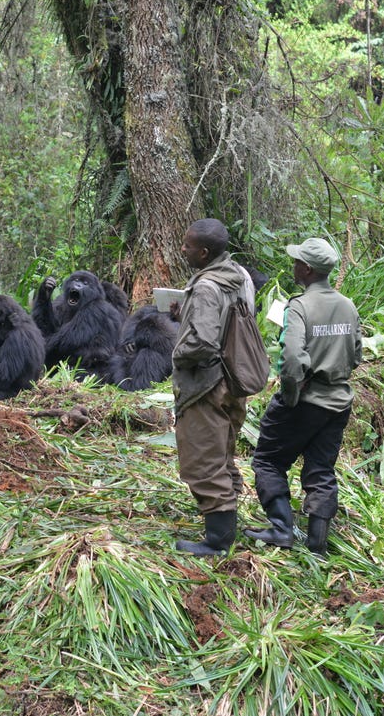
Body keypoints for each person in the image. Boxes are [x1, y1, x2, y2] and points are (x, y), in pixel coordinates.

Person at [244, 237, 361, 556]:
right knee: (321, 469)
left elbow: (293, 359)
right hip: (338, 401)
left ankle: (281, 529)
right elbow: (356, 353)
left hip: (304, 399)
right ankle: (317, 545)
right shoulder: (347, 305)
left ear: (307, 270)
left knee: (268, 460)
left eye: (297, 261)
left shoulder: (299, 306)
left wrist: (291, 395)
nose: (293, 265)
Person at [170, 219, 257, 556]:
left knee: (203, 460)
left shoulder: (206, 288)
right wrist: (185, 318)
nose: (183, 249)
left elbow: (204, 343)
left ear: (204, 253)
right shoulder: (240, 276)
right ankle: (228, 524)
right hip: (235, 378)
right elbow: (228, 325)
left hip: (207, 385)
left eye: (188, 245)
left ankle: (218, 542)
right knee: (223, 454)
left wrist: (178, 350)